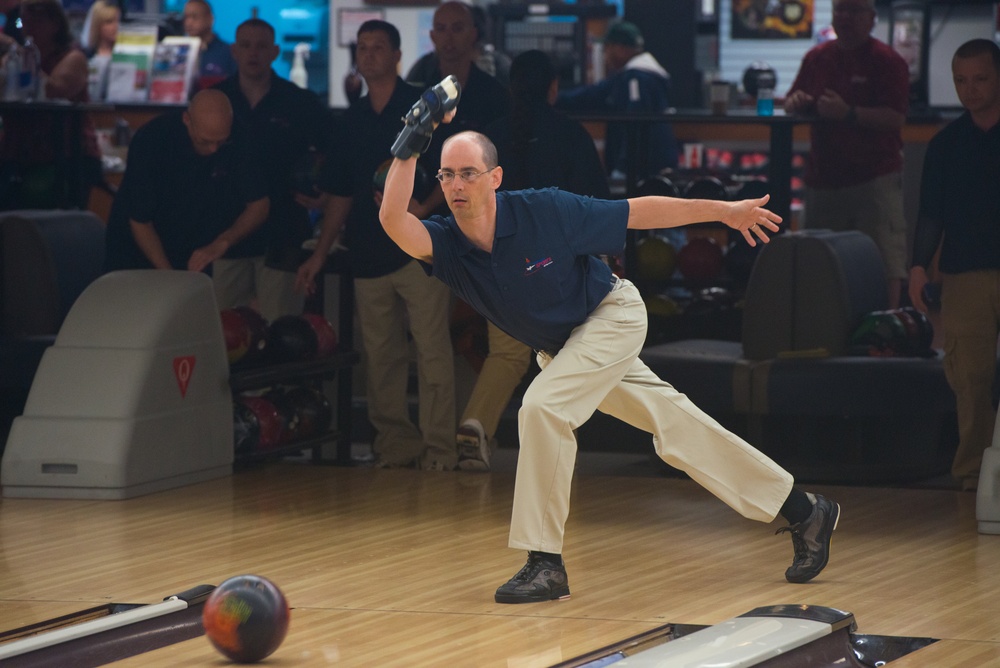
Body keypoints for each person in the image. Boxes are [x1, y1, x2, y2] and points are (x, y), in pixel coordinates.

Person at [379, 98, 841, 601]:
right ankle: (805, 511)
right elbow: (394, 222)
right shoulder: (447, 245)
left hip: (611, 319)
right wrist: (411, 144)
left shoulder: (544, 209)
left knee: (542, 407)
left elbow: (637, 212)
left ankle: (544, 562)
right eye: (447, 175)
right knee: (676, 426)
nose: (456, 185)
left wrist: (723, 213)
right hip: (566, 350)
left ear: (495, 177)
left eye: (468, 173)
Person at [296, 20, 456, 471]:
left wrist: (423, 208)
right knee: (381, 358)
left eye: (377, 47)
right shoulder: (349, 121)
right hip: (367, 250)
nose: (368, 55)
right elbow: (341, 196)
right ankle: (395, 446)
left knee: (431, 351)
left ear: (397, 55)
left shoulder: (424, 107)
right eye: (361, 48)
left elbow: (457, 166)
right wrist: (321, 253)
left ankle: (440, 449)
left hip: (421, 250)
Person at [451, 50, 610, 472]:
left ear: (512, 89)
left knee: (507, 353)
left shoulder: (491, 137)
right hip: (558, 268)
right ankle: (556, 452)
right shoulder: (572, 135)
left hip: (496, 262)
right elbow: (595, 206)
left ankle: (476, 423)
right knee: (566, 356)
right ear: (553, 89)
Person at [909, 39, 1000, 492]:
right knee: (970, 379)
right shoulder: (946, 145)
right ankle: (971, 475)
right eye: (962, 80)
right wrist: (919, 267)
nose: (971, 90)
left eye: (981, 79)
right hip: (964, 272)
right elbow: (931, 213)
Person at [784, 0, 909, 308]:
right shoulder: (817, 58)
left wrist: (848, 113)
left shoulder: (887, 61)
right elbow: (791, 100)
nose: (845, 17)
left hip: (873, 179)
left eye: (854, 10)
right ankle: (821, 330)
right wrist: (796, 102)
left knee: (883, 260)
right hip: (822, 179)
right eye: (839, 9)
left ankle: (886, 331)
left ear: (872, 18)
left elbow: (896, 117)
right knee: (817, 262)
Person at [211, 18, 328, 322]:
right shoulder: (215, 101)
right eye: (246, 46)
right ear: (234, 51)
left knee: (282, 328)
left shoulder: (299, 102)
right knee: (226, 333)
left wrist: (324, 194)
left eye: (262, 46)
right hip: (226, 229)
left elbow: (333, 155)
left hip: (284, 229)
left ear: (275, 52)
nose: (254, 53)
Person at [104, 89, 268, 273]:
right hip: (136, 252)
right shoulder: (152, 140)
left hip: (196, 248)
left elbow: (259, 204)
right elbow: (140, 221)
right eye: (204, 141)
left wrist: (223, 242)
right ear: (187, 120)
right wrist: (169, 274)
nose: (214, 149)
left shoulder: (240, 135)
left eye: (221, 142)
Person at [0, 0, 101, 210]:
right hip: (17, 153)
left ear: (55, 23)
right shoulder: (14, 58)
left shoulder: (73, 58)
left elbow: (55, 90)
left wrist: (23, 56)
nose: (29, 26)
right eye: (25, 19)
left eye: (36, 19)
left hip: (66, 155)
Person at [556, 20, 679, 180]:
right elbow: (592, 95)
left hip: (645, 173)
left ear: (620, 49)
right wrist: (554, 99)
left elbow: (636, 121)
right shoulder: (625, 77)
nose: (605, 56)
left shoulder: (636, 79)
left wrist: (623, 168)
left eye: (607, 49)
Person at [404, 1, 510, 146]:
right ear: (433, 36)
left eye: (457, 29)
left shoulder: (493, 90)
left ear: (473, 34)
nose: (448, 37)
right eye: (441, 29)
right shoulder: (420, 75)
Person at [183, 0, 235, 92]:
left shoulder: (228, 52)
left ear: (210, 19)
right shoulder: (179, 52)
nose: (188, 23)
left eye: (194, 17)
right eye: (186, 17)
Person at [83, 0, 120, 102]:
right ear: (98, 25)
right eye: (109, 22)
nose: (116, 26)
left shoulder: (124, 57)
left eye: (118, 21)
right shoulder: (86, 58)